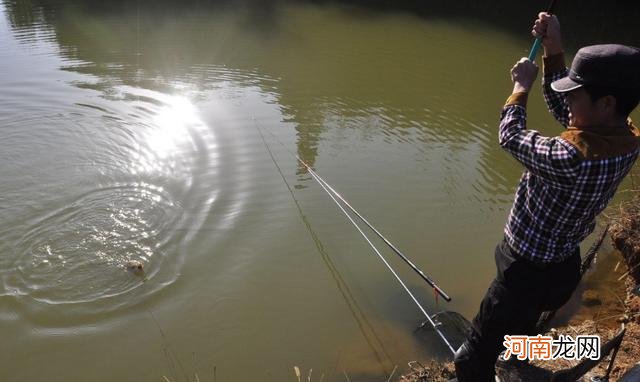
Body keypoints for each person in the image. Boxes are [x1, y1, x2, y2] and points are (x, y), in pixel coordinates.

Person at [453, 12, 640, 382]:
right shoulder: (626, 138)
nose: (567, 100)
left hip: (522, 271)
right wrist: (554, 51)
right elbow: (567, 113)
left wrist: (520, 87)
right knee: (522, 329)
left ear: (604, 104)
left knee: (470, 359)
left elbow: (510, 135)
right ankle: (517, 357)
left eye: (575, 93)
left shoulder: (568, 157)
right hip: (561, 270)